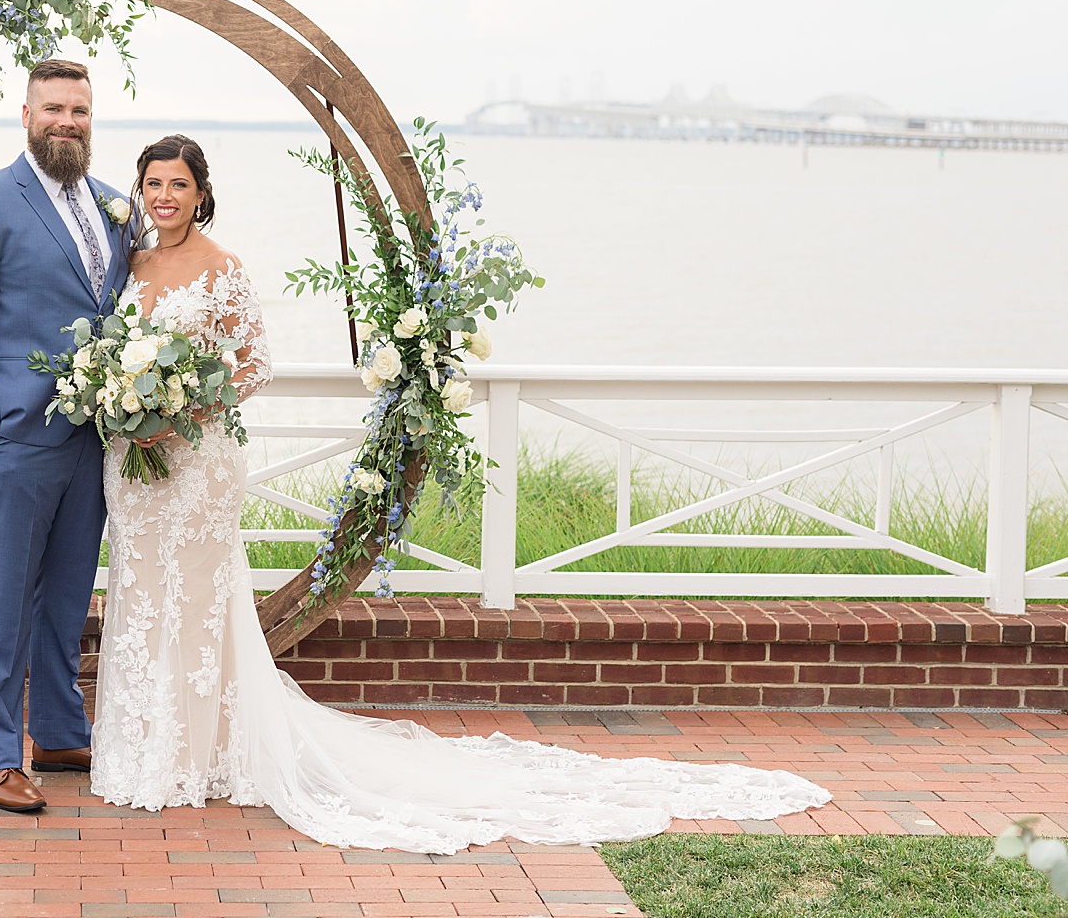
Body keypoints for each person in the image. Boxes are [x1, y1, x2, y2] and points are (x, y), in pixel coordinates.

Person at [88, 133, 832, 851]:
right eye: (153, 184)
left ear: (202, 192)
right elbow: (114, 351)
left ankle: (199, 756)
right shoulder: (132, 265)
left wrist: (185, 413)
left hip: (199, 465)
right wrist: (131, 410)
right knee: (140, 588)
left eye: (178, 185)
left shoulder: (225, 266)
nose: (163, 197)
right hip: (135, 466)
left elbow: (254, 366)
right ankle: (144, 746)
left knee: (199, 597)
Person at [0, 59, 133, 813]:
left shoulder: (116, 205)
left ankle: (56, 731)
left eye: (79, 111)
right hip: (12, 439)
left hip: (92, 441)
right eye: (53, 108)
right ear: (26, 115)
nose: (67, 122)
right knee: (3, 598)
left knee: (67, 597)